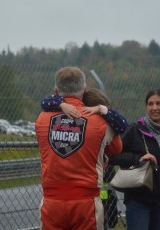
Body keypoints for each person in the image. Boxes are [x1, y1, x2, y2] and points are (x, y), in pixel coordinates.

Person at [35, 67, 123, 230]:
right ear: (84, 89)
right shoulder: (99, 121)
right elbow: (116, 149)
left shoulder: (41, 119)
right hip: (86, 203)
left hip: (51, 202)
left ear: (56, 90)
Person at [109, 89, 160, 230]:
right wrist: (138, 159)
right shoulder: (134, 130)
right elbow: (112, 155)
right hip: (139, 202)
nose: (154, 108)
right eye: (150, 104)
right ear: (146, 107)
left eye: (159, 103)